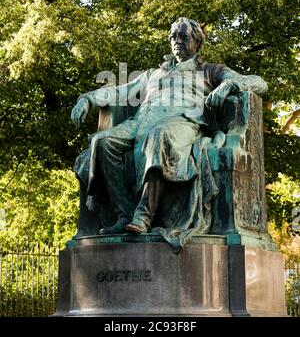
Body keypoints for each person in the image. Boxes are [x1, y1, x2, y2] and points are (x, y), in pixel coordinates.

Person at [71, 17, 267, 250]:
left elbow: (260, 83)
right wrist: (87, 99)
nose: (177, 41)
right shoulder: (152, 74)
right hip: (140, 124)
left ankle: (144, 215)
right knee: (101, 142)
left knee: (159, 135)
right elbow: (118, 92)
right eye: (173, 36)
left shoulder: (210, 71)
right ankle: (124, 213)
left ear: (197, 42)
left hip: (183, 124)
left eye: (183, 36)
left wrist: (229, 85)